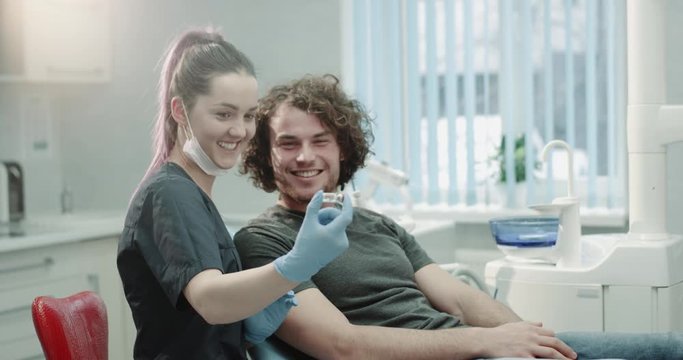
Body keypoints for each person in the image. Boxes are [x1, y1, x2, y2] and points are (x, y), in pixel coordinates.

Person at [234, 74, 683, 359]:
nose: (305, 156)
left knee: (668, 347)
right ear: (264, 153)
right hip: (459, 351)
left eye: (320, 140)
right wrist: (485, 342)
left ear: (343, 148)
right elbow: (342, 346)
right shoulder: (264, 242)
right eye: (288, 143)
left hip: (472, 347)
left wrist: (526, 340)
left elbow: (462, 301)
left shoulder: (378, 224)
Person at [116, 30, 353, 359]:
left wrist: (245, 329)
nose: (240, 131)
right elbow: (210, 301)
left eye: (248, 115)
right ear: (180, 111)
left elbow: (196, 327)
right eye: (223, 114)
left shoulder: (192, 194)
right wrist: (297, 264)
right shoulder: (170, 193)